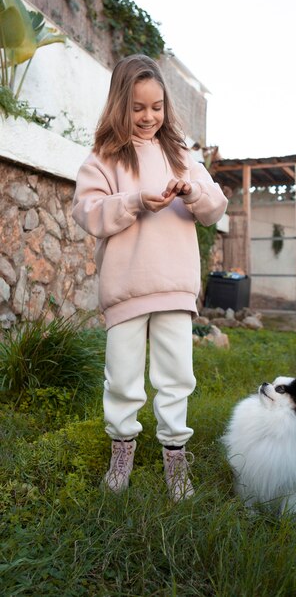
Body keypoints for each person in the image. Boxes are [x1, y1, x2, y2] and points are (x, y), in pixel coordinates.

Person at [72, 54, 228, 501]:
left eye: (156, 106)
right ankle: (122, 449)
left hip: (175, 286)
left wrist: (192, 191)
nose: (148, 117)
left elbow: (215, 206)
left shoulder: (181, 156)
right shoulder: (103, 158)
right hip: (126, 288)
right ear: (120, 104)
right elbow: (88, 212)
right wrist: (136, 199)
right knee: (122, 377)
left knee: (176, 375)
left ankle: (175, 456)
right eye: (138, 107)